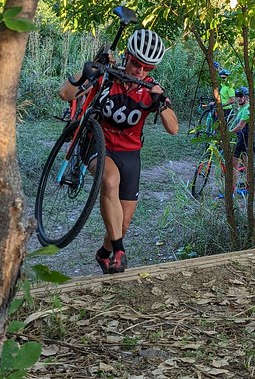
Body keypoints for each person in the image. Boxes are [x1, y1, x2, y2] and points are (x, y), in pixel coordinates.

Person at [59, 28, 179, 274]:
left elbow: (174, 129)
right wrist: (89, 71)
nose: (140, 71)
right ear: (127, 56)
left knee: (122, 224)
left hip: (129, 153)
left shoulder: (151, 89)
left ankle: (104, 254)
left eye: (148, 68)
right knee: (110, 180)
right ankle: (120, 251)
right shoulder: (107, 77)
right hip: (97, 143)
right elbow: (65, 94)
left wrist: (161, 103)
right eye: (136, 64)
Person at [229, 86, 251, 192]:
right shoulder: (243, 107)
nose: (239, 98)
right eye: (237, 96)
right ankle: (248, 187)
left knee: (234, 166)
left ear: (246, 97)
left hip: (244, 138)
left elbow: (240, 126)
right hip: (242, 137)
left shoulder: (247, 109)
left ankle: (231, 191)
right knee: (247, 164)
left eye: (241, 96)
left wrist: (228, 134)